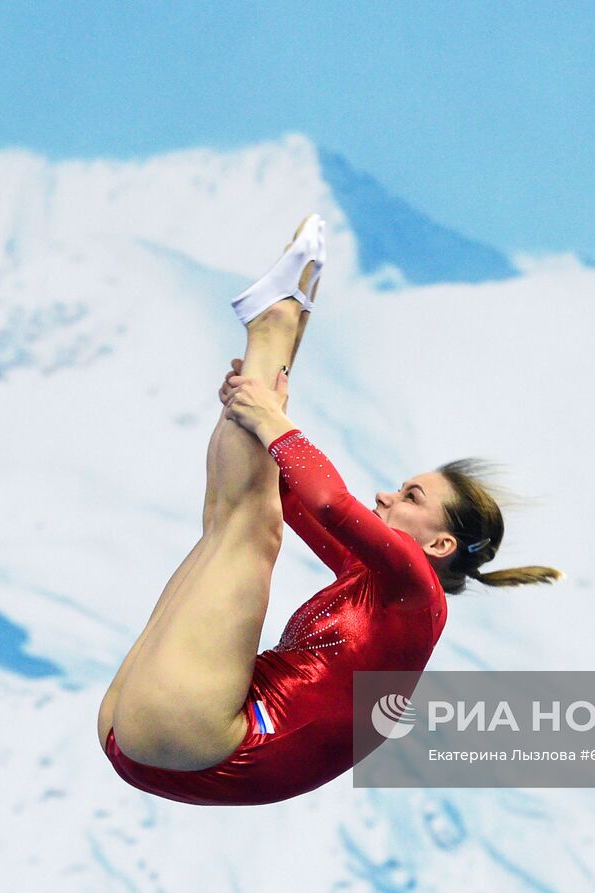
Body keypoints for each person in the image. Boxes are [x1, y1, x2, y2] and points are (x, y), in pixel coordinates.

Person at [96, 214, 562, 805]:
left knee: (249, 529)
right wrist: (257, 403)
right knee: (244, 510)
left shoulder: (416, 593)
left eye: (410, 497)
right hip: (162, 734)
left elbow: (328, 500)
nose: (386, 497)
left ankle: (274, 327)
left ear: (440, 545)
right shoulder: (370, 580)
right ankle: (277, 334)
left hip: (212, 744)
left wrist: (270, 418)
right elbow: (287, 493)